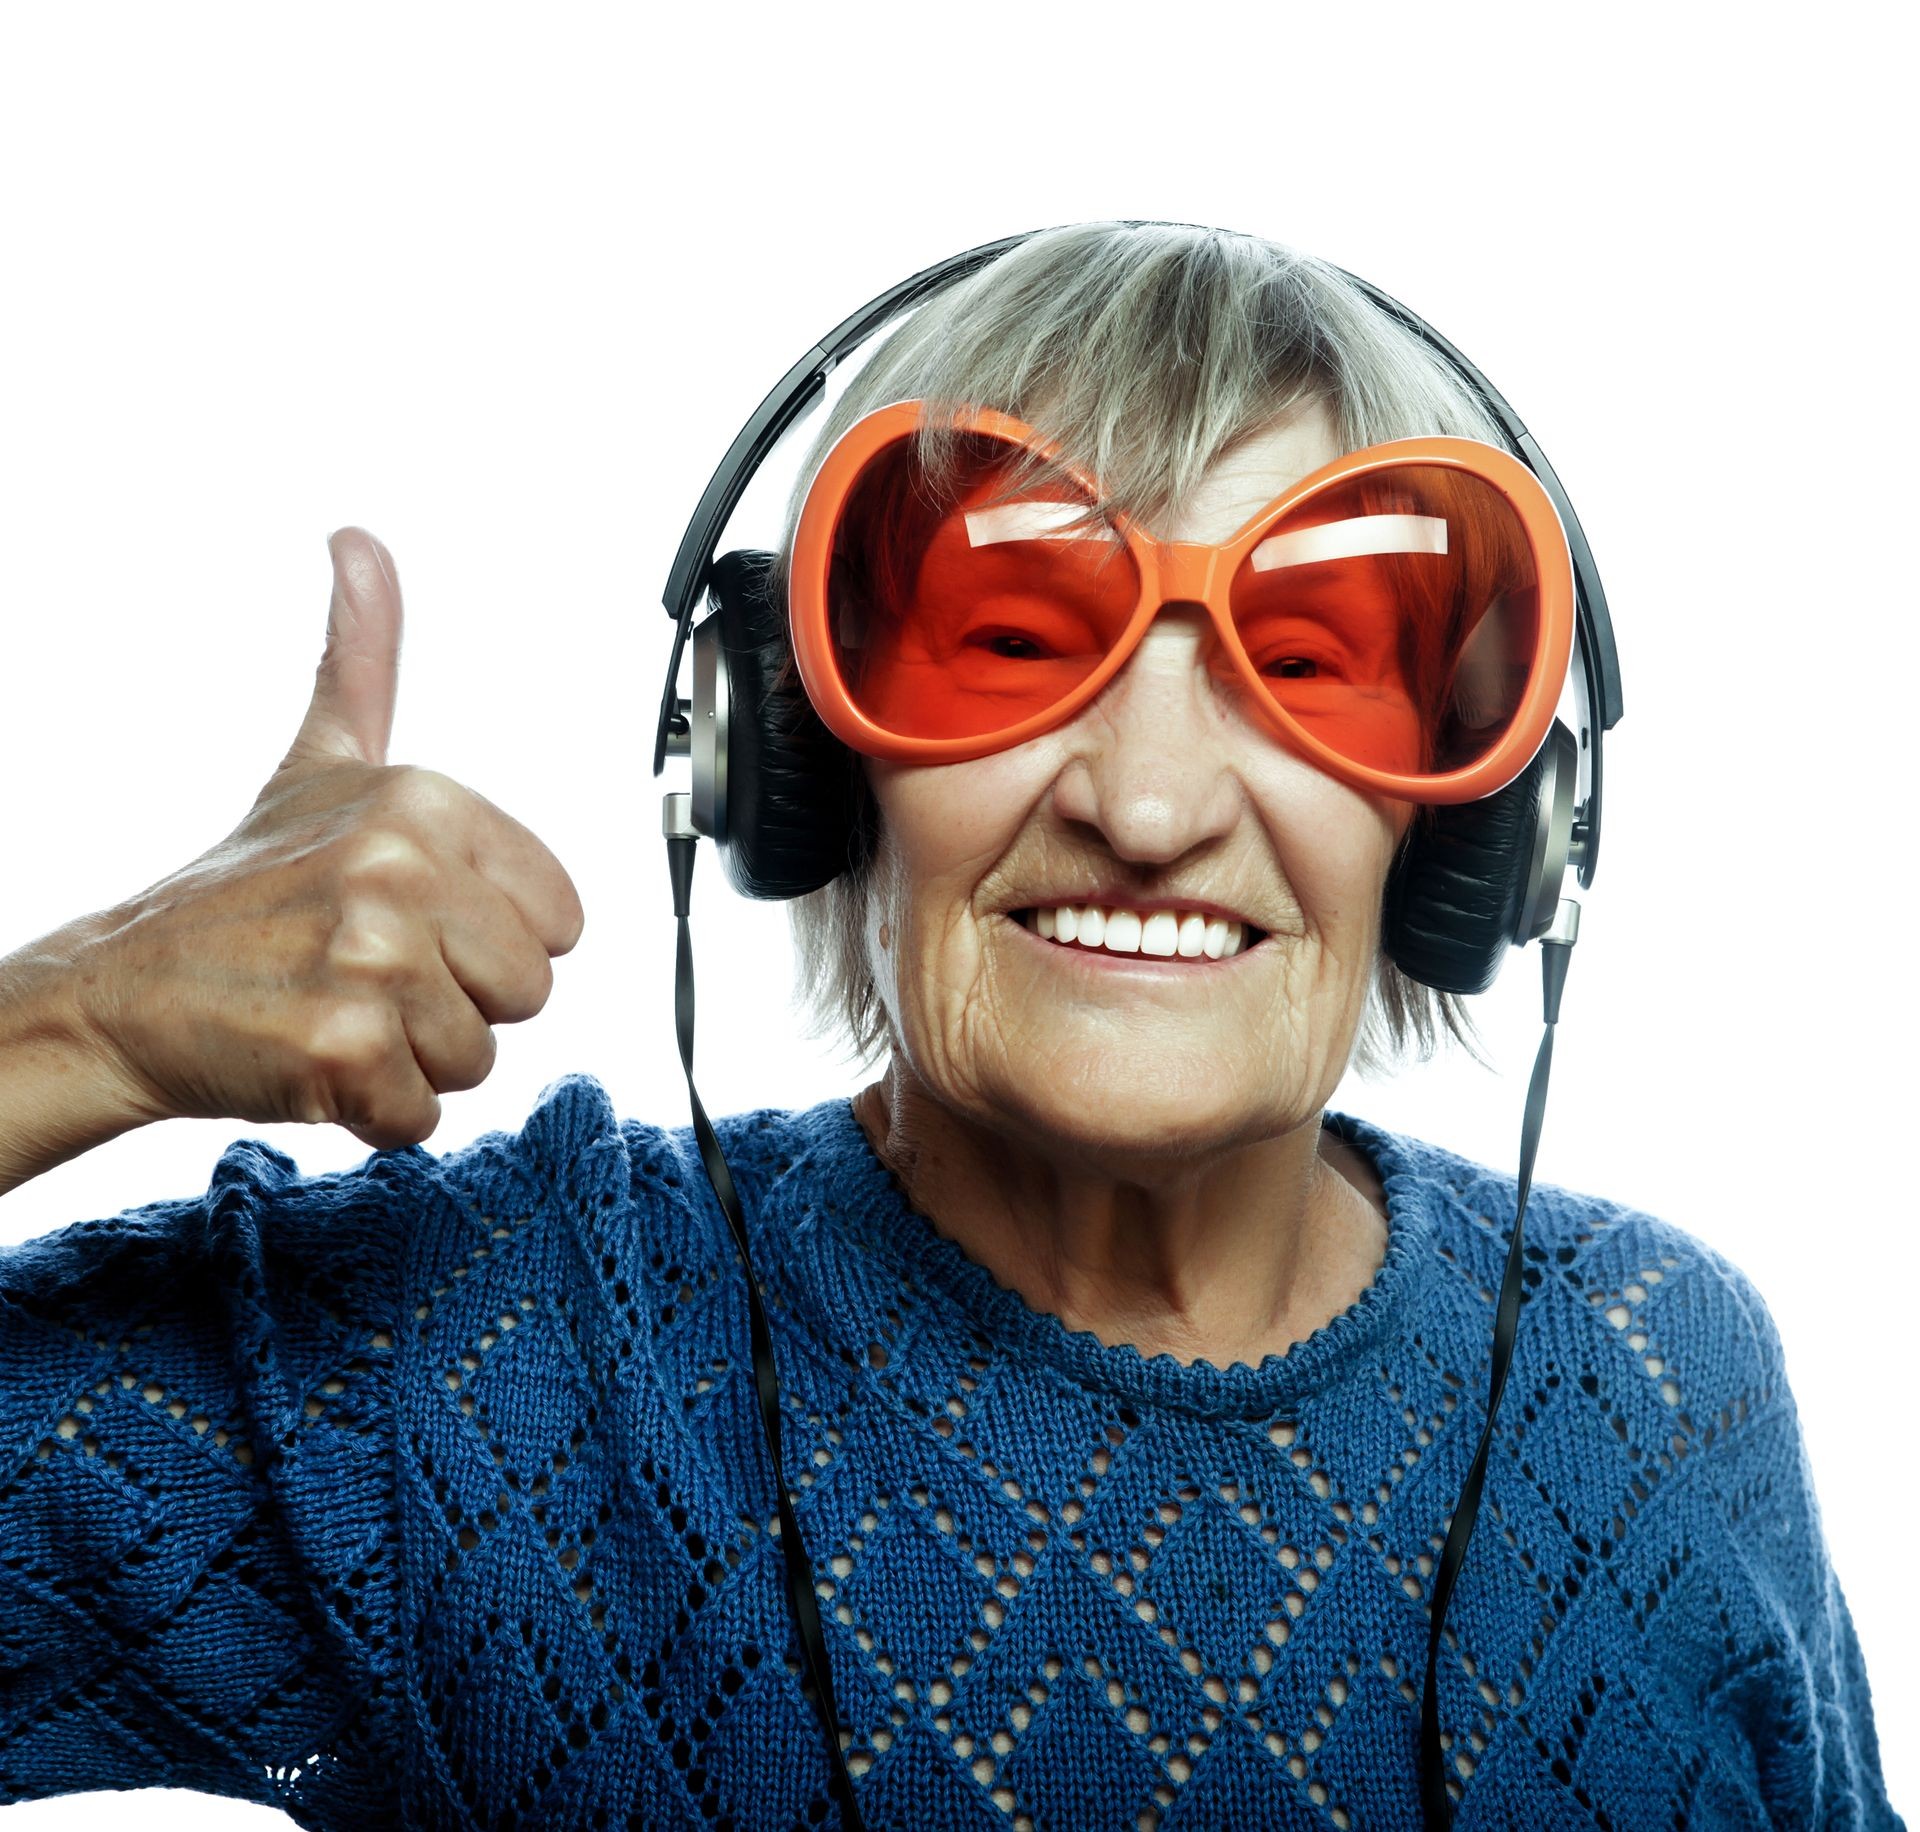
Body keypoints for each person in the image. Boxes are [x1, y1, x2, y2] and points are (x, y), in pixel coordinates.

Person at [0, 223, 1900, 1832]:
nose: (1150, 806)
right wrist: (80, 1020)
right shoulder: (498, 1357)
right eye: (1011, 633)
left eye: (1308, 659)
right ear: (793, 752)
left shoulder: (1658, 1393)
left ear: (1476, 823)